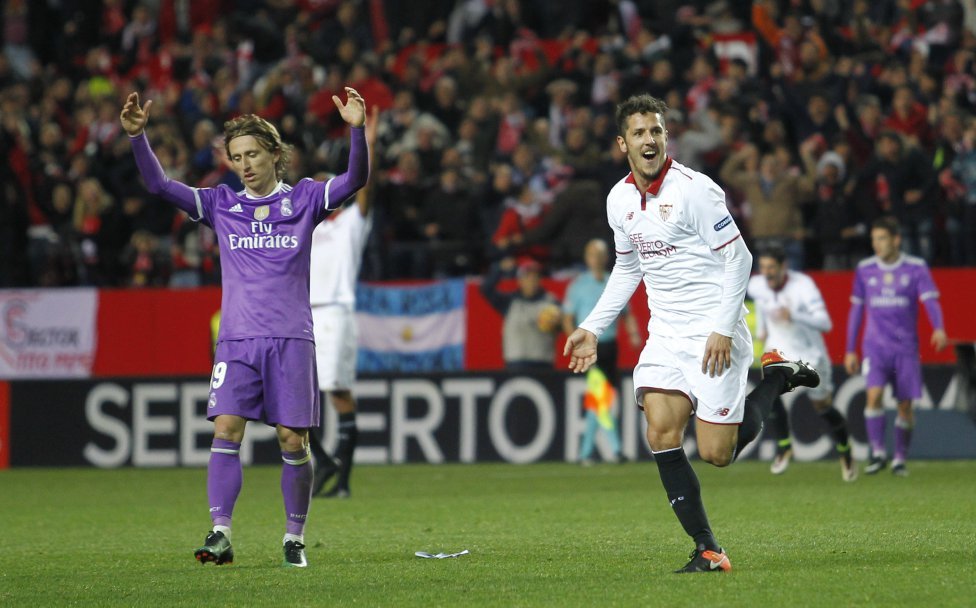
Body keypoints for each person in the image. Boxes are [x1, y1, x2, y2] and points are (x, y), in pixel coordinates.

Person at [563, 94, 819, 574]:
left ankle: (777, 379)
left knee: (717, 453)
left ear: (666, 137)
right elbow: (628, 267)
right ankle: (707, 549)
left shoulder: (696, 191)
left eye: (656, 131)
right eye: (639, 132)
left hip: (713, 329)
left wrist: (723, 328)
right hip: (665, 333)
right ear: (622, 143)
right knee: (660, 431)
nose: (650, 140)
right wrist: (591, 327)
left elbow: (739, 258)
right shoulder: (619, 200)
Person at [120, 88, 369, 568]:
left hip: (291, 339)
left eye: (252, 154)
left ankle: (294, 538)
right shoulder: (221, 204)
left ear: (275, 153)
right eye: (236, 158)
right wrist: (137, 138)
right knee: (227, 428)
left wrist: (356, 130)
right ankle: (219, 533)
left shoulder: (305, 198)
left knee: (292, 440)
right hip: (236, 341)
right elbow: (159, 185)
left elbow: (356, 178)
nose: (244, 165)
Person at [308, 105, 379, 499]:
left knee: (337, 394)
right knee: (295, 396)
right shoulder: (305, 229)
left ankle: (343, 481)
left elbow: (365, 189)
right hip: (305, 315)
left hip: (335, 313)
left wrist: (367, 143)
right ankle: (325, 462)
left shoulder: (350, 223)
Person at [844, 216, 947, 477]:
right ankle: (878, 453)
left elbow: (930, 301)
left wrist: (939, 328)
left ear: (896, 240)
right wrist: (850, 349)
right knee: (874, 396)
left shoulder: (916, 268)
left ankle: (900, 458)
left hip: (905, 349)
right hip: (875, 347)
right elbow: (856, 311)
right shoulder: (865, 269)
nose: (876, 244)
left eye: (882, 239)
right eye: (874, 239)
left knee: (905, 406)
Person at [748, 245, 857, 481]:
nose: (767, 273)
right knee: (769, 391)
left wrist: (793, 315)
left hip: (811, 355)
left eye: (771, 268)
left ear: (784, 267)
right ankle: (784, 446)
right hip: (778, 350)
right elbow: (762, 304)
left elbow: (825, 323)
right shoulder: (756, 284)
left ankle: (845, 449)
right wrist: (762, 330)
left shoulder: (803, 286)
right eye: (763, 267)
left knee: (822, 407)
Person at [562, 239, 641, 464]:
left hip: (609, 347)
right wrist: (576, 342)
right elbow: (567, 318)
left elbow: (627, 313)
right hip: (590, 346)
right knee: (600, 397)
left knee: (601, 399)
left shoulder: (613, 282)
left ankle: (586, 452)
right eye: (592, 254)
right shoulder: (578, 285)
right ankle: (614, 449)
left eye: (599, 255)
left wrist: (633, 334)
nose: (595, 259)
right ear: (586, 258)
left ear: (606, 258)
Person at [481, 257, 560, 371]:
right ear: (519, 280)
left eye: (535, 276)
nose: (531, 280)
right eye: (527, 276)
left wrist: (557, 323)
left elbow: (564, 324)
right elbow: (486, 289)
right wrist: (499, 269)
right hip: (516, 361)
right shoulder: (510, 301)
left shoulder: (551, 301)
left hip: (543, 361)